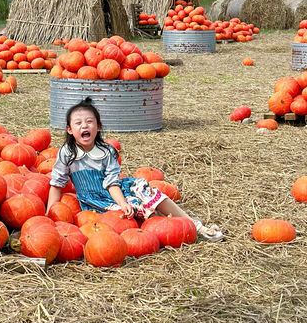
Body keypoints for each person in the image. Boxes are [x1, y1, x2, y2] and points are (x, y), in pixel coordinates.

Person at [47, 98, 223, 241]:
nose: (84, 126)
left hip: (116, 189)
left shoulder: (107, 152)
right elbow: (57, 184)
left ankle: (194, 225)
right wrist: (50, 214)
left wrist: (122, 202)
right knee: (135, 211)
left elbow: (111, 183)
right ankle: (166, 227)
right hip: (94, 200)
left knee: (150, 194)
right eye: (78, 123)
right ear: (69, 130)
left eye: (89, 122)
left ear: (98, 126)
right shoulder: (67, 153)